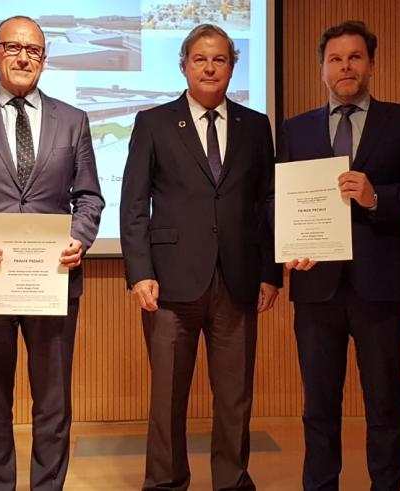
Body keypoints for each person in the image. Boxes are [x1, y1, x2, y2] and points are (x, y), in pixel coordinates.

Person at [0, 15, 104, 491]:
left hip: (52, 279)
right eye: (12, 47)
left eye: (34, 50)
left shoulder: (74, 119)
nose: (24, 57)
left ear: (44, 59)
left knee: (53, 403)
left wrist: (80, 237)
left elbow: (88, 197)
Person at [277, 20, 400, 491]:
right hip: (315, 286)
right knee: (319, 406)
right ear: (322, 68)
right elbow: (276, 199)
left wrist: (376, 198)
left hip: (381, 285)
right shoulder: (295, 129)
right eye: (335, 59)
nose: (345, 67)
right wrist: (290, 245)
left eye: (354, 57)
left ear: (370, 63)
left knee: (385, 403)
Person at [120, 23, 282, 491]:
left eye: (221, 60)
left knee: (234, 396)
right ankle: (166, 482)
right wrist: (139, 273)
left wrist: (271, 273)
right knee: (168, 395)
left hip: (238, 280)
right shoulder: (152, 122)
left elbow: (267, 201)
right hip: (169, 283)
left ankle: (231, 481)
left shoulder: (256, 125)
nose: (210, 68)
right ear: (184, 66)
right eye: (200, 59)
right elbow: (133, 205)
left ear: (233, 66)